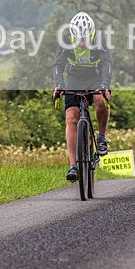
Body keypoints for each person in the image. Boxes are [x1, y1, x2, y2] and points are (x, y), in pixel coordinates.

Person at [52, 11, 112, 182]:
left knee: (100, 100)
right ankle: (73, 166)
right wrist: (59, 84)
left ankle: (101, 138)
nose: (81, 42)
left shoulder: (100, 39)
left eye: (84, 39)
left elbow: (107, 63)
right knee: (71, 118)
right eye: (78, 39)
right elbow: (58, 65)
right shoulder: (66, 40)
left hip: (95, 76)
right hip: (74, 77)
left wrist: (105, 85)